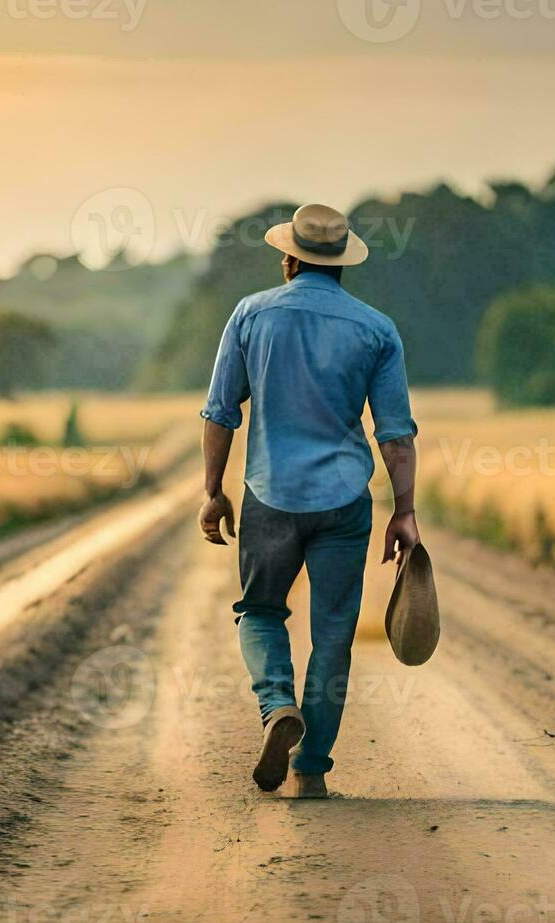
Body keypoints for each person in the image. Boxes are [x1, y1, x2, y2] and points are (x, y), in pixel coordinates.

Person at [198, 203, 419, 800]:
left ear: (290, 258)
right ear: (343, 262)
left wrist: (213, 491)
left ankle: (276, 708)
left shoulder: (250, 314)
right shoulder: (376, 328)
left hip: (270, 494)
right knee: (333, 635)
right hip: (344, 500)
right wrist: (405, 511)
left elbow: (221, 413)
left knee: (261, 611)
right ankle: (311, 768)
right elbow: (394, 432)